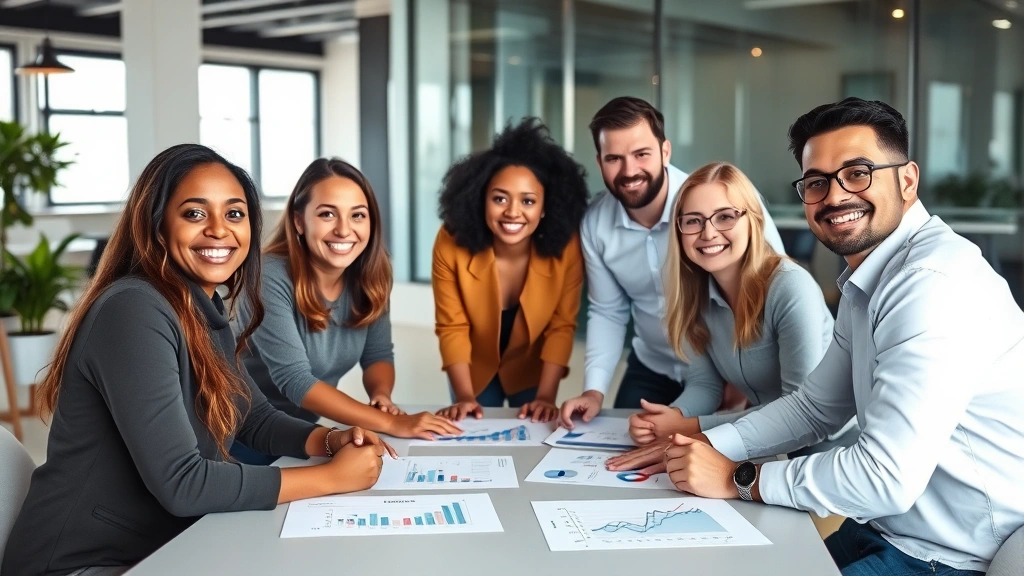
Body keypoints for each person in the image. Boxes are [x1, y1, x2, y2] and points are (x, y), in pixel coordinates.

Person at [661, 98, 1024, 575]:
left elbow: (885, 476)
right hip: (887, 527)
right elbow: (814, 407)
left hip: (950, 554)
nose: (834, 196)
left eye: (858, 173)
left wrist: (738, 477)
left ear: (908, 181)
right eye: (817, 183)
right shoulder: (870, 281)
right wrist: (712, 446)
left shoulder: (930, 283)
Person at [2, 145, 393, 576]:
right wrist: (332, 479)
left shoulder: (200, 308)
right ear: (155, 225)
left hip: (161, 548)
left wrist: (329, 440)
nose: (219, 230)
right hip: (82, 564)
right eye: (194, 214)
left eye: (234, 214)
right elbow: (183, 483)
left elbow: (253, 419)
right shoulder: (133, 310)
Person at [559, 96, 785, 427]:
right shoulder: (595, 223)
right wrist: (593, 391)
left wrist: (741, 374)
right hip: (652, 363)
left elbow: (769, 282)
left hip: (727, 365)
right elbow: (608, 311)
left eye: (641, 154)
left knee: (713, 464)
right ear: (599, 162)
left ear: (665, 151)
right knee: (617, 449)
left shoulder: (717, 201)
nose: (629, 170)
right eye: (614, 159)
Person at [604, 161, 833, 473]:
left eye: (725, 217)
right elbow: (705, 383)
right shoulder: (692, 293)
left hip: (830, 453)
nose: (708, 233)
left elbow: (799, 412)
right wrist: (670, 417)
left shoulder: (791, 286)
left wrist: (692, 427)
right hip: (767, 446)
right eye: (693, 221)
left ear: (753, 221)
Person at [231, 158, 460, 465]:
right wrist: (393, 423)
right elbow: (296, 381)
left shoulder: (372, 275)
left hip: (299, 434)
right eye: (327, 214)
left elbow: (378, 355)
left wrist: (381, 396)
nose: (343, 230)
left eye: (357, 216)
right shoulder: (268, 276)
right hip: (236, 436)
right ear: (299, 221)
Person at [432, 118, 589, 422]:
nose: (513, 212)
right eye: (500, 198)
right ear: (482, 200)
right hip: (473, 368)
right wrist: (464, 396)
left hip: (532, 369)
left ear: (545, 207)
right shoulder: (450, 242)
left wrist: (546, 395)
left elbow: (561, 326)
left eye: (528, 201)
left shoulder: (566, 246)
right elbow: (452, 326)